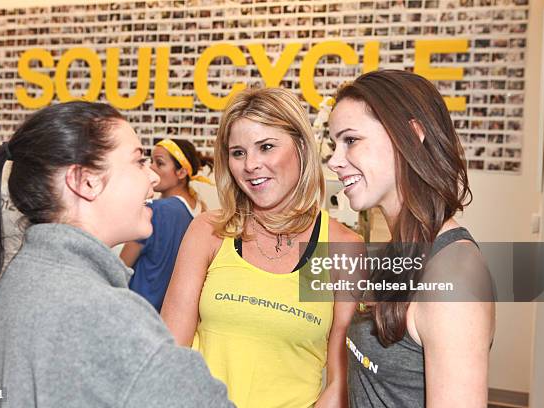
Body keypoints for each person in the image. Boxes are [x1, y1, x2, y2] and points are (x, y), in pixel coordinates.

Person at [0, 101, 233, 407]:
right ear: (86, 181)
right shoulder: (104, 312)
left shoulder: (23, 275)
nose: (153, 178)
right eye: (138, 161)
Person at [161, 87, 361, 408]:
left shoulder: (341, 248)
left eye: (266, 147)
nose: (250, 164)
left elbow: (341, 385)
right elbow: (171, 354)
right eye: (238, 153)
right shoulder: (211, 232)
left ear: (300, 147)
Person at [327, 70, 495, 407]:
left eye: (351, 140)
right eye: (334, 145)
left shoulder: (454, 275)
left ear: (411, 134)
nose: (333, 161)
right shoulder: (401, 251)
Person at [120, 138, 214, 311]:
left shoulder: (156, 210)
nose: (151, 167)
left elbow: (120, 267)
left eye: (159, 163)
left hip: (139, 309)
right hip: (172, 314)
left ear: (181, 173)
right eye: (151, 161)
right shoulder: (200, 212)